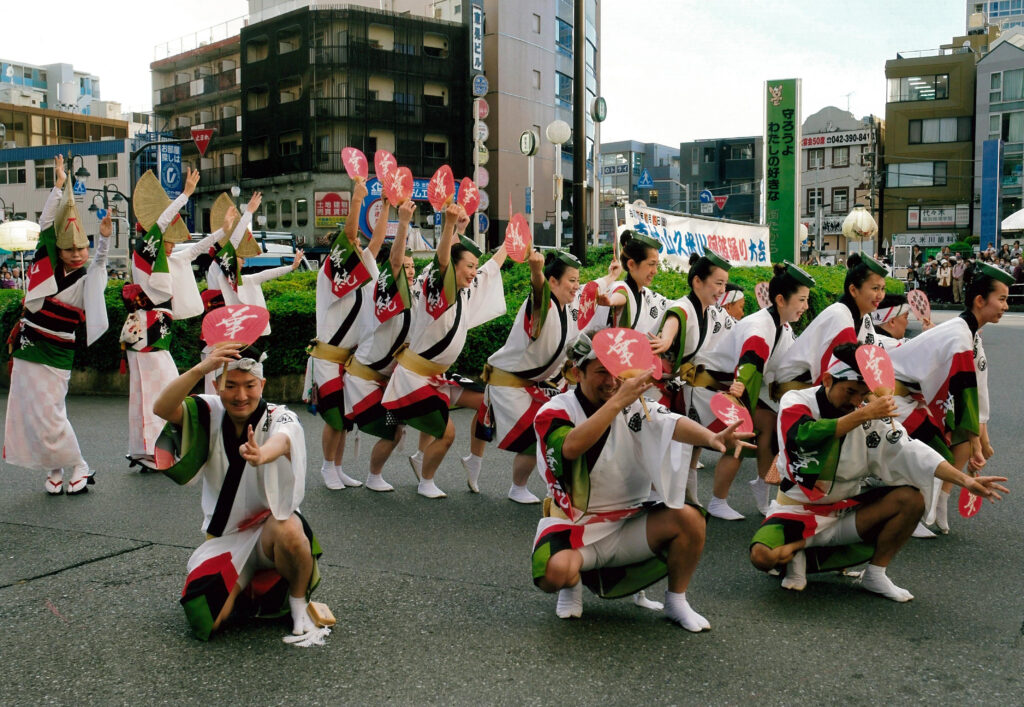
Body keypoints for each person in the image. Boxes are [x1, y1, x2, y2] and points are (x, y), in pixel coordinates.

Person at [530, 333, 753, 630]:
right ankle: (573, 585)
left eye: (616, 373)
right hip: (576, 525)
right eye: (600, 372)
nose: (611, 382)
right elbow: (570, 448)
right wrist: (618, 402)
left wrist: (711, 438)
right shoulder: (556, 410)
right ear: (576, 372)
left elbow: (669, 421)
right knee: (554, 573)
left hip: (630, 522)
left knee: (690, 520)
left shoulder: (634, 404)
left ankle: (677, 600)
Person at [749, 344, 1007, 600]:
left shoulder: (871, 416)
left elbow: (911, 451)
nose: (855, 401)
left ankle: (871, 572)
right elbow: (801, 436)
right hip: (797, 510)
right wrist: (863, 415)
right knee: (763, 556)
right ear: (828, 379)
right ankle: (805, 549)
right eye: (849, 391)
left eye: (861, 395)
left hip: (845, 510)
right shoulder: (797, 401)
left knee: (911, 498)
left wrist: (965, 481)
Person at [152, 342, 328, 645]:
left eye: (249, 385)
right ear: (218, 385)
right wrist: (201, 369)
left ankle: (297, 602)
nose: (241, 395)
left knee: (288, 526)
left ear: (262, 384)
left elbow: (285, 439)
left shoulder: (278, 416)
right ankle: (252, 592)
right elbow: (162, 408)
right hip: (226, 541)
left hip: (268, 536)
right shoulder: (207, 410)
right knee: (205, 620)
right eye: (230, 385)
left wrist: (263, 454)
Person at [382, 202, 507, 498]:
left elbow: (490, 270)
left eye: (474, 267)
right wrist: (450, 226)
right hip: (414, 376)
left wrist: (509, 244)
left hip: (438, 376)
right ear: (454, 267)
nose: (474, 273)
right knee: (448, 432)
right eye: (469, 267)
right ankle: (426, 479)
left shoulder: (465, 290)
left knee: (485, 400)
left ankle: (471, 461)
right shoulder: (434, 286)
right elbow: (442, 261)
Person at [3, 156, 110, 495]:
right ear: (59, 251)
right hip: (28, 344)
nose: (78, 253)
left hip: (57, 351)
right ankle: (53, 466)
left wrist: (104, 240)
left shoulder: (86, 277)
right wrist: (59, 184)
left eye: (83, 247)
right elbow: (48, 221)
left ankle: (77, 464)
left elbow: (100, 264)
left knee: (50, 413)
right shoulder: (45, 260)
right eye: (70, 249)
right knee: (30, 412)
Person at [887, 261, 1011, 534]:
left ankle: (938, 503)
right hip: (888, 397)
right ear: (980, 300)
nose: (1006, 306)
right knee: (937, 454)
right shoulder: (960, 336)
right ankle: (915, 514)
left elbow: (976, 389)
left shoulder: (968, 333)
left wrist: (980, 441)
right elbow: (965, 394)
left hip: (911, 398)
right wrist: (978, 444)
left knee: (960, 438)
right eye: (1001, 299)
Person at [689, 261, 814, 519]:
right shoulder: (760, 326)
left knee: (771, 423)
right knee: (742, 435)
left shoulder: (782, 326)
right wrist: (743, 385)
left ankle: (763, 485)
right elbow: (750, 361)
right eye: (801, 300)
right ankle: (718, 500)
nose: (805, 307)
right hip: (711, 388)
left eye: (806, 300)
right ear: (780, 299)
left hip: (737, 385)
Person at [121, 168, 226, 471]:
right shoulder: (144, 249)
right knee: (161, 387)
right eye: (167, 238)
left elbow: (196, 249)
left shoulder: (160, 257)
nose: (170, 243)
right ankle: (152, 449)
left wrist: (222, 231)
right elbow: (162, 224)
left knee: (149, 389)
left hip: (151, 329)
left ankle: (144, 449)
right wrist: (185, 195)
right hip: (148, 329)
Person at [477, 248, 582, 503]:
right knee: (534, 435)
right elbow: (538, 290)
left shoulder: (568, 308)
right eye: (572, 280)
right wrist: (536, 270)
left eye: (578, 280)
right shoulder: (541, 303)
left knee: (558, 431)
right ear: (553, 281)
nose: (577, 287)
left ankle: (479, 460)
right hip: (510, 383)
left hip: (537, 384)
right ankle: (517, 487)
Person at [304, 181, 382, 490]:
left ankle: (337, 466)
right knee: (334, 416)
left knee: (346, 419)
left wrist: (387, 205)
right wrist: (358, 199)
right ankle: (326, 467)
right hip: (327, 356)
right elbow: (351, 236)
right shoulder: (331, 272)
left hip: (349, 358)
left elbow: (374, 243)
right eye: (354, 248)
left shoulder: (359, 276)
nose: (361, 250)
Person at [343, 197, 419, 492]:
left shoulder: (415, 294)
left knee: (397, 429)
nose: (410, 271)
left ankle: (374, 474)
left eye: (414, 266)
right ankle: (341, 471)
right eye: (406, 266)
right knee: (386, 430)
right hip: (364, 378)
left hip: (389, 379)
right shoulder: (383, 288)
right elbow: (392, 260)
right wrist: (402, 222)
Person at [773, 252, 886, 392]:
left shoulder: (863, 317)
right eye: (875, 288)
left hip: (816, 383)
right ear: (853, 290)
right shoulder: (840, 317)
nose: (880, 295)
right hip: (797, 387)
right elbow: (834, 375)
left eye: (882, 289)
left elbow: (873, 354)